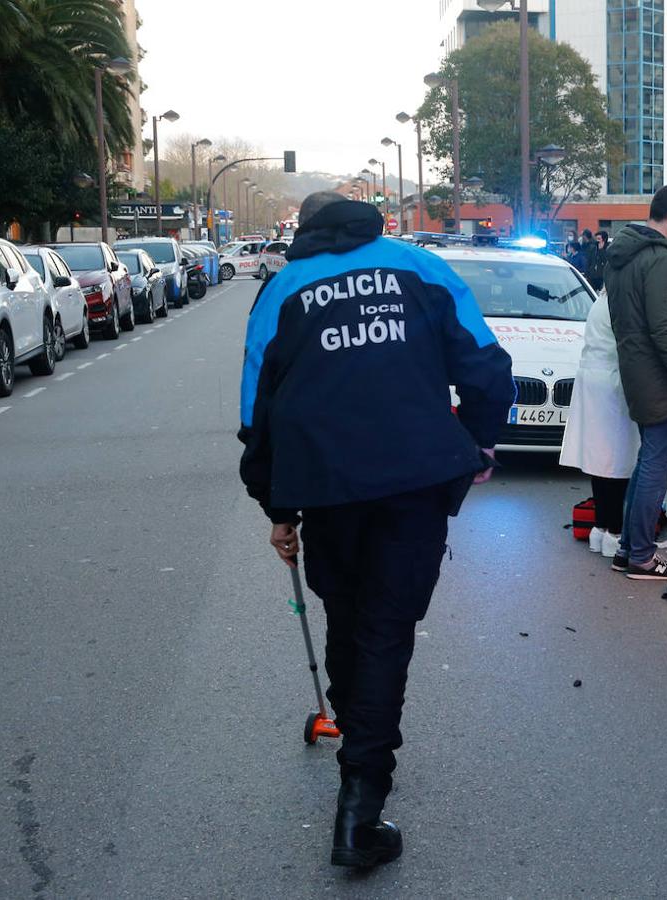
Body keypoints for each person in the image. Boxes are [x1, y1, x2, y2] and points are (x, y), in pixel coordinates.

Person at [238, 192, 514, 869]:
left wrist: (277, 509)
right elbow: (486, 364)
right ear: (371, 225)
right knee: (386, 630)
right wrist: (479, 441)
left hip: (328, 486)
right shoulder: (417, 268)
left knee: (348, 614)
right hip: (414, 477)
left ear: (304, 230)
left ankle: (357, 738)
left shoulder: (283, 289)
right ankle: (361, 804)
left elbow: (257, 410)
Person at [603, 182, 667, 580]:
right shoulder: (661, 260)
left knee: (646, 464)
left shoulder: (622, 257)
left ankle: (628, 550)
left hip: (636, 371)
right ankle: (642, 556)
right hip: (661, 378)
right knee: (655, 468)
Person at [559, 290, 639, 561]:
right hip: (612, 382)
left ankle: (600, 526)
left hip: (594, 379)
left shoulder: (602, 298)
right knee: (617, 462)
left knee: (599, 461)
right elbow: (632, 344)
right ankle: (614, 532)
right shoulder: (620, 300)